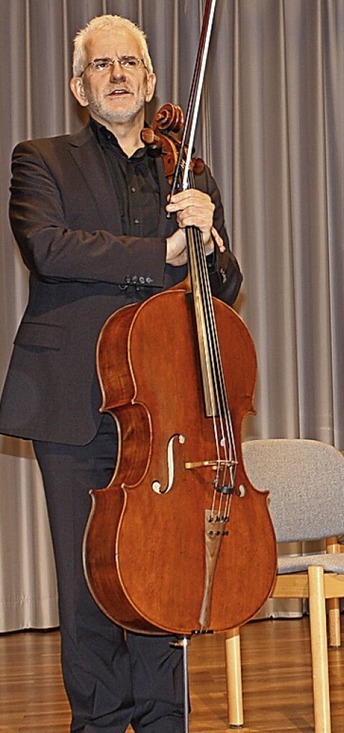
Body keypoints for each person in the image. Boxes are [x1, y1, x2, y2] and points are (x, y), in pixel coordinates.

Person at [0, 15, 243, 731]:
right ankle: (101, 722)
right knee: (89, 583)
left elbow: (222, 290)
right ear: (80, 86)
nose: (117, 74)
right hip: (75, 403)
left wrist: (210, 240)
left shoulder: (187, 169)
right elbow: (50, 247)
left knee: (163, 572)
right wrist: (159, 252)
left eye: (129, 62)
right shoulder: (39, 159)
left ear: (151, 80)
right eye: (101, 65)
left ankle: (167, 719)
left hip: (168, 410)